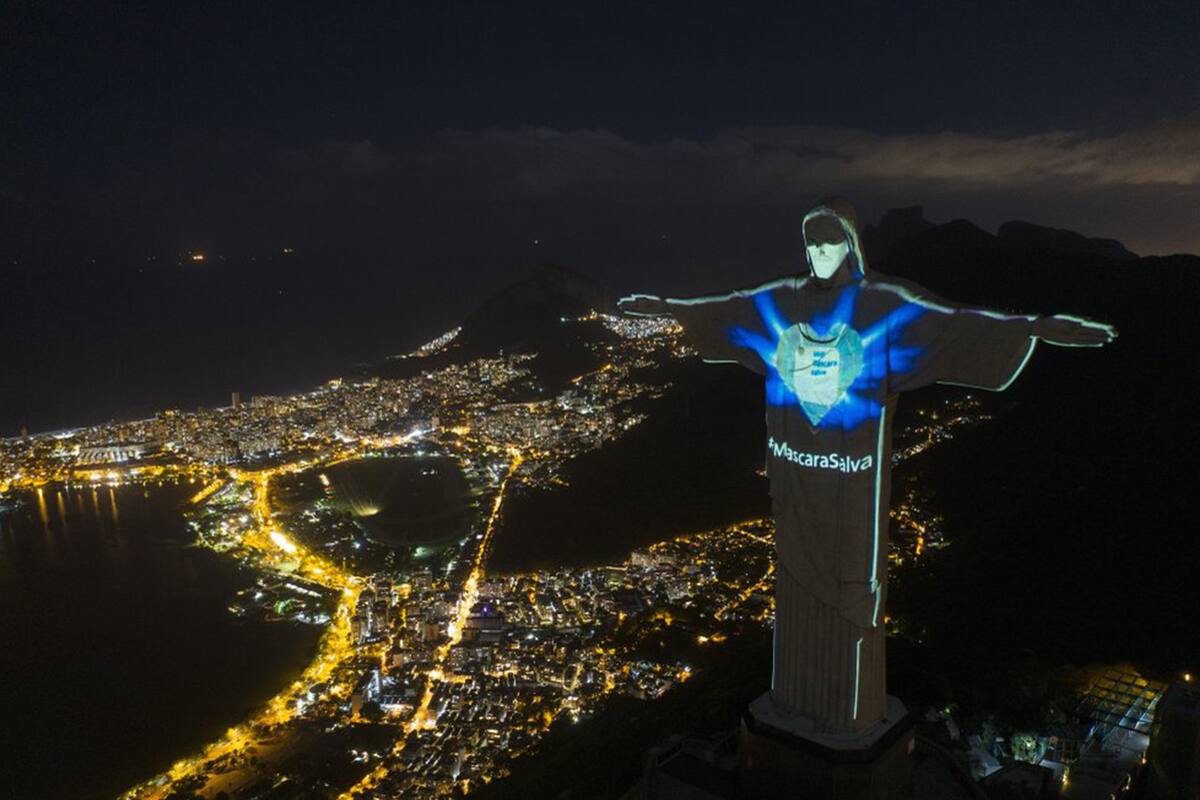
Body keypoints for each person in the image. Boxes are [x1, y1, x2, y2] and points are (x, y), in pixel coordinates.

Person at [618, 197, 1115, 735]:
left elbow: (951, 325)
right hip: (795, 480)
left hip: (850, 489)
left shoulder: (881, 304)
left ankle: (846, 718)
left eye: (829, 243)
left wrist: (1033, 328)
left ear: (851, 245)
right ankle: (794, 705)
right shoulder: (781, 302)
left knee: (853, 593)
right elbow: (726, 308)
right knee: (794, 591)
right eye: (811, 243)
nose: (818, 253)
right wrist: (668, 306)